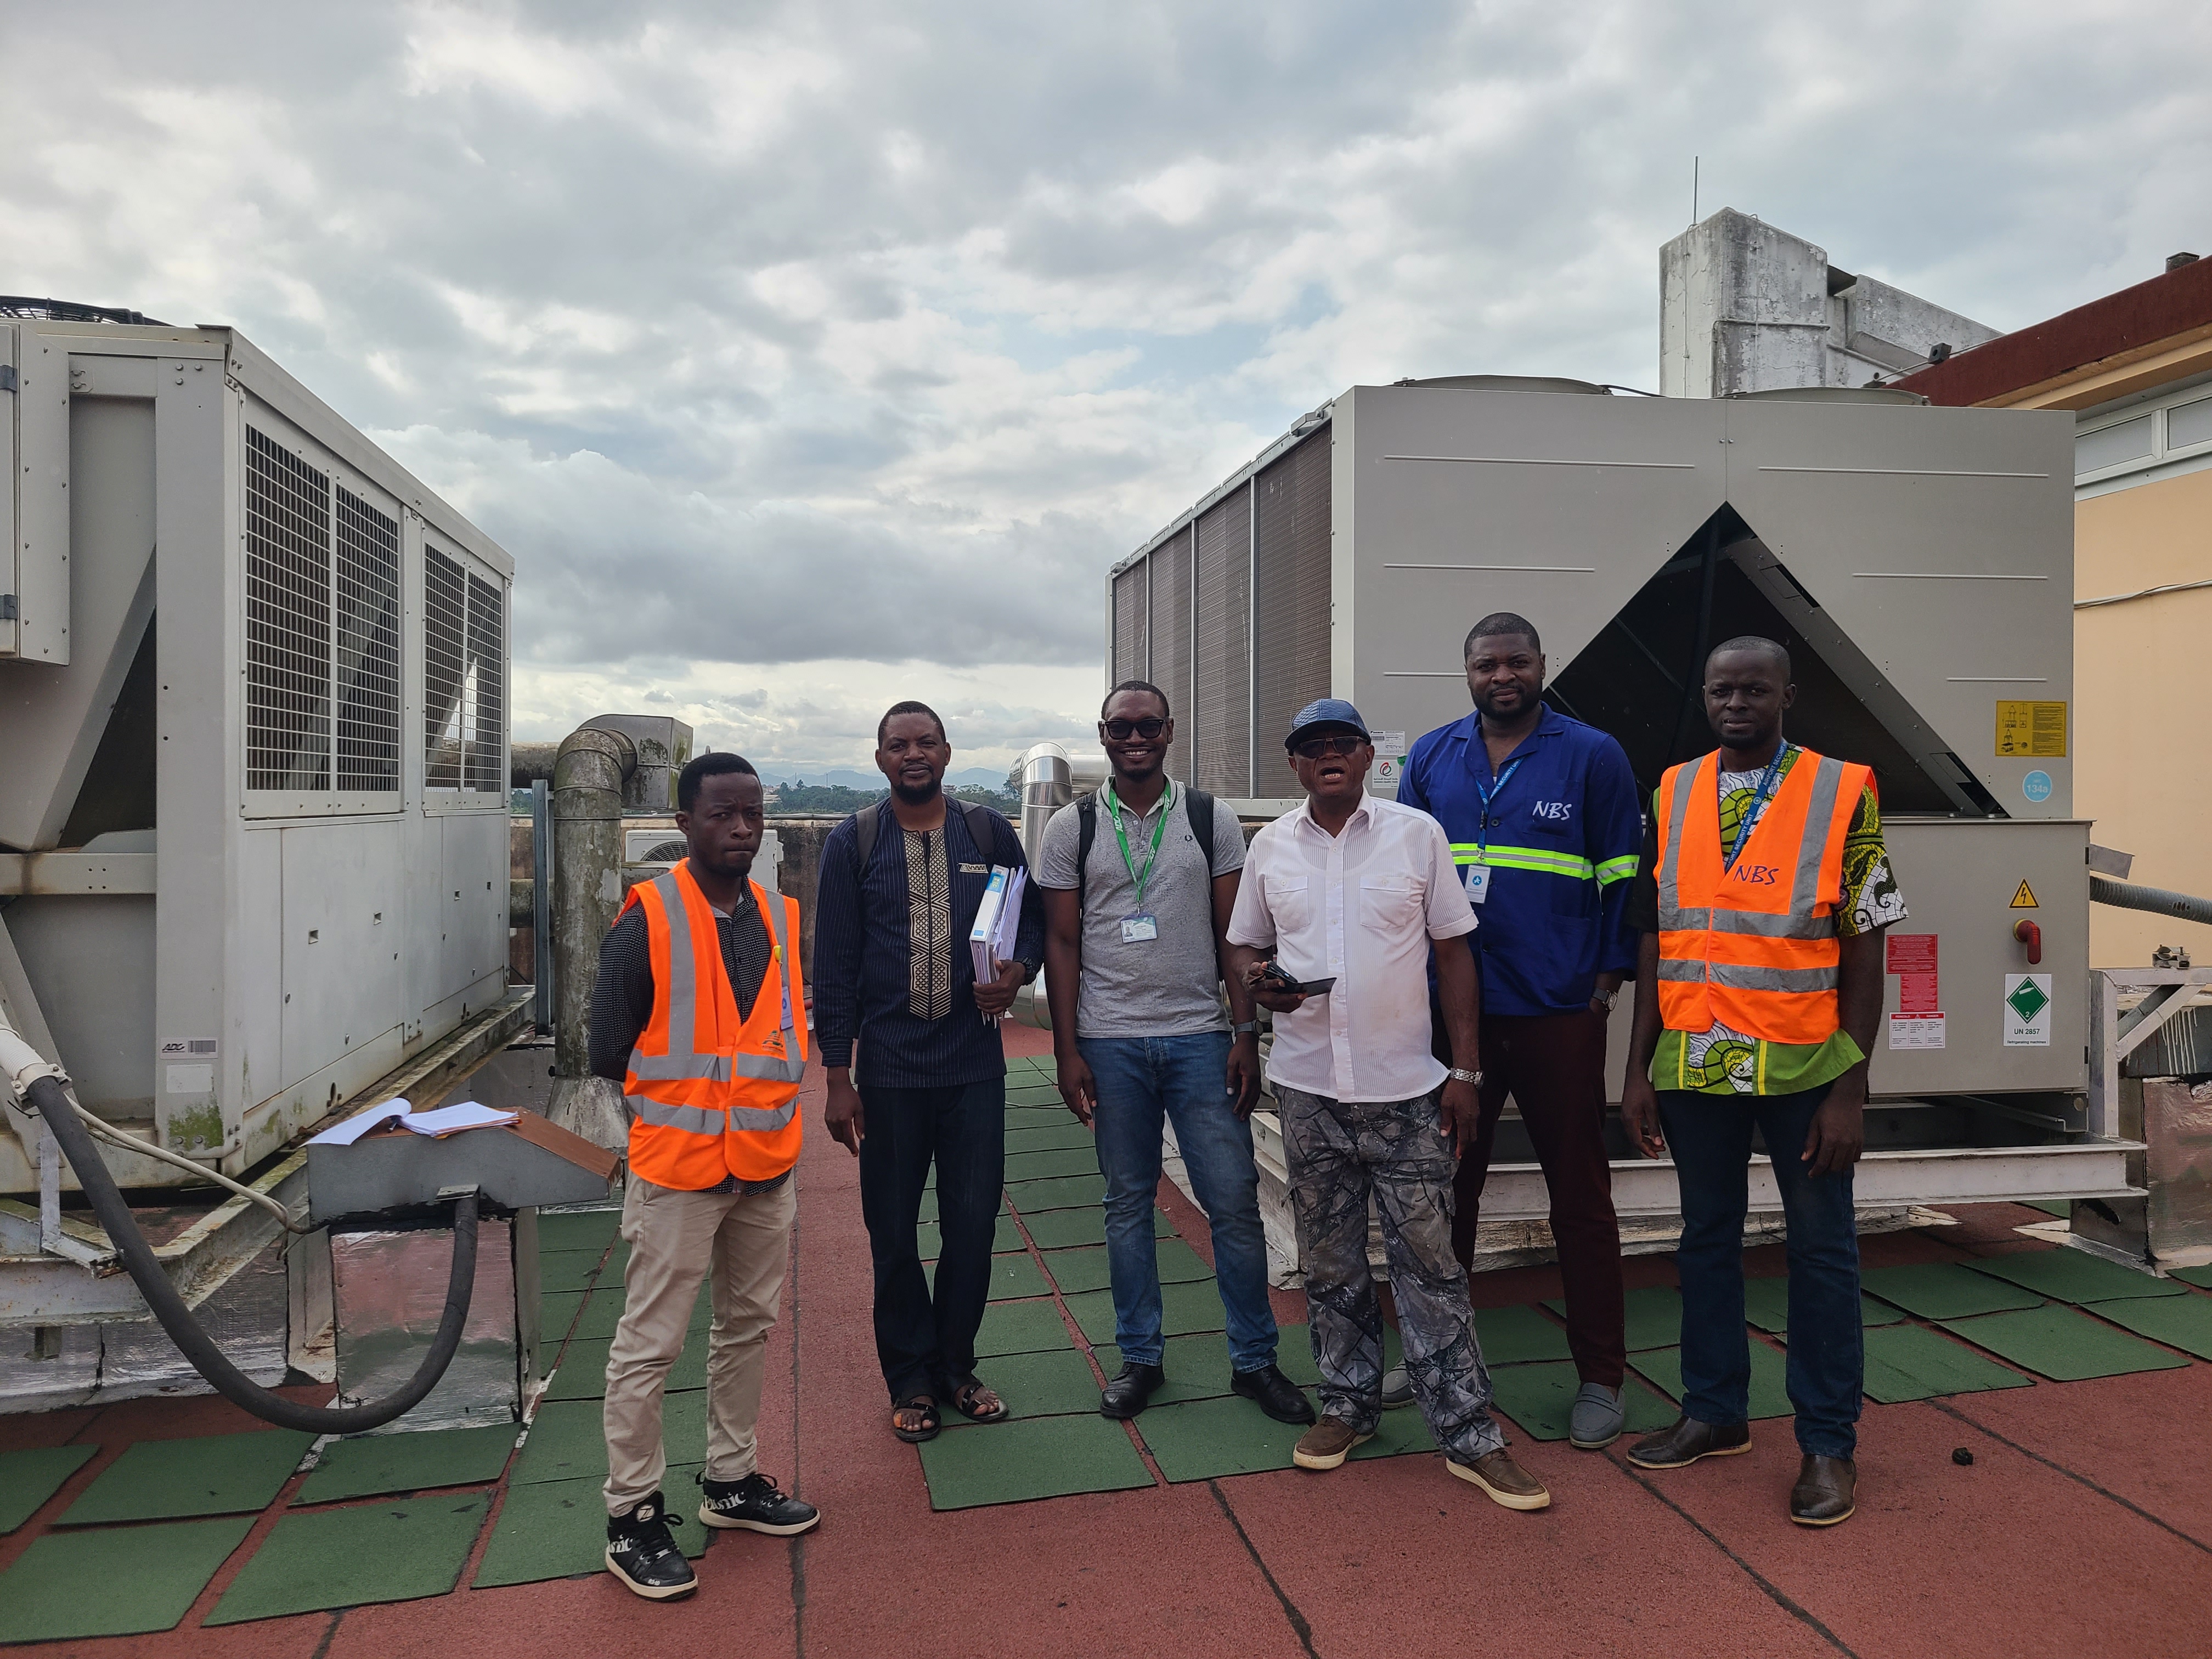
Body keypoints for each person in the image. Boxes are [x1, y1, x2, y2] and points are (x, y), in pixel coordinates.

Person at [1225, 698, 1550, 1511]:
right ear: (1295, 764)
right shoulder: (1271, 847)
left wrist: (1466, 1074)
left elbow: (1454, 951)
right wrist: (1261, 982)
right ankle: (1348, 1406)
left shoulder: (1416, 835)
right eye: (1311, 747)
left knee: (1431, 1268)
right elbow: (1244, 945)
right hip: (1308, 1090)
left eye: (1342, 743)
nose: (1328, 755)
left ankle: (1470, 1433)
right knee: (1329, 1261)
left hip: (1408, 1093)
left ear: (1368, 755)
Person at [1618, 636, 1901, 1528]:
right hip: (1696, 1062)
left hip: (1806, 1067)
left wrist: (1851, 1087)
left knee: (1821, 1249)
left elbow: (1866, 942)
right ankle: (1715, 1411)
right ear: (1704, 696)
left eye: (1754, 689)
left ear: (1788, 694)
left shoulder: (1842, 789)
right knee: (1705, 1237)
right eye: (1720, 689)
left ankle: (1827, 1443)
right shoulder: (1672, 788)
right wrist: (1637, 1071)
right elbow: (1658, 937)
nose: (1735, 702)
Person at [1037, 681, 1312, 1426]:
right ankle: (1141, 1361)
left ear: (1168, 734)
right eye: (1121, 727)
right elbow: (1061, 944)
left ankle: (1255, 1363)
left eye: (1148, 726)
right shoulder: (1072, 828)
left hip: (1198, 1037)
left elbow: (1237, 936)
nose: (1135, 737)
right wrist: (1067, 1051)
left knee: (1233, 1203)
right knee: (1127, 1206)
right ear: (1102, 735)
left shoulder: (1208, 817)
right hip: (1109, 1041)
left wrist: (1244, 1034)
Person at [1396, 612, 1640, 1449]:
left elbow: (1622, 884)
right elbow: (1401, 882)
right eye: (1486, 665)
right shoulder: (1432, 756)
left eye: (1517, 662)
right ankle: (1435, 1358)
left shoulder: (1593, 755)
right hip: (1450, 1017)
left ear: (1542, 665)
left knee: (1580, 1196)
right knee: (1440, 1192)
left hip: (1557, 1013)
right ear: (1466, 672)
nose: (1503, 676)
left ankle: (1602, 1375)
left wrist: (1601, 993)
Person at [589, 751, 820, 1603]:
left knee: (748, 1327)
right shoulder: (649, 915)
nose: (742, 830)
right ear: (684, 823)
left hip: (765, 1164)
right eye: (723, 815)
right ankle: (631, 1517)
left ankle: (730, 1480)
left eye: (753, 815)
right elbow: (608, 1042)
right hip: (681, 1171)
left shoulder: (782, 916)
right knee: (649, 1346)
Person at [815, 701, 1043, 1444]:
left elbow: (1028, 924)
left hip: (974, 1068)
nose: (913, 754)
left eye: (925, 742)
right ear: (880, 759)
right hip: (886, 1075)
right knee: (893, 1233)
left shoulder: (988, 832)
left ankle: (956, 1367)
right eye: (897, 745)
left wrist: (1014, 977)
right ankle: (909, 1377)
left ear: (947, 752)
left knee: (972, 1228)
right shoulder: (856, 841)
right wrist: (837, 1076)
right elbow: (836, 964)